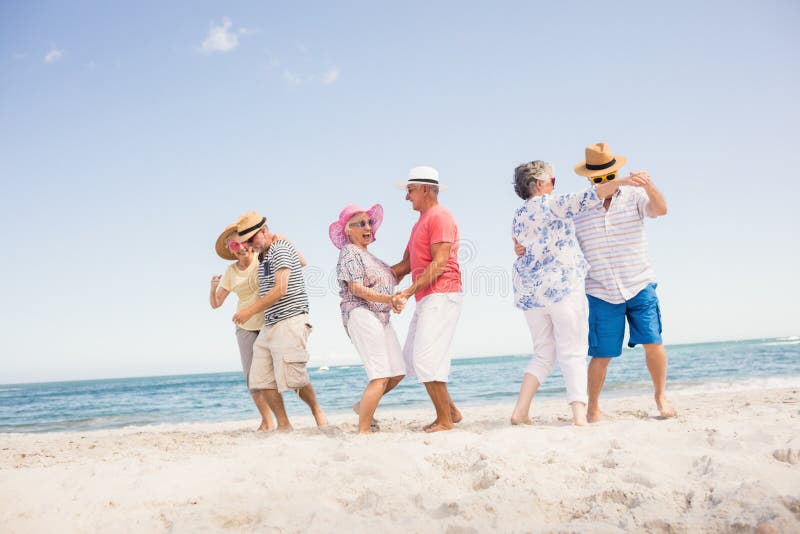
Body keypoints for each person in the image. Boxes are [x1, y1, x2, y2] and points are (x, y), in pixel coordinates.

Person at [509, 161, 637, 426]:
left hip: (531, 293)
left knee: (543, 353)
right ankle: (579, 416)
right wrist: (624, 181)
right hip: (562, 287)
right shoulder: (553, 203)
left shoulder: (518, 215)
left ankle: (520, 411)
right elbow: (594, 194)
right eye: (552, 181)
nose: (554, 186)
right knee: (573, 351)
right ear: (541, 185)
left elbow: (519, 247)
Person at [572, 142, 676, 422]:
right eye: (600, 178)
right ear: (590, 179)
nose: (607, 182)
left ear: (615, 171)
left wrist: (648, 187)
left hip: (639, 282)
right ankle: (593, 407)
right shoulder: (581, 206)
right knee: (601, 354)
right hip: (601, 290)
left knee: (653, 342)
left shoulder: (633, 196)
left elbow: (661, 209)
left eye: (610, 175)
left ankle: (660, 396)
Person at [231, 211, 327, 431]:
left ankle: (318, 413)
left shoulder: (279, 248)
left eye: (251, 240)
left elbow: (280, 289)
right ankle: (284, 424)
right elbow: (302, 261)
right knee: (261, 379)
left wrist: (248, 311)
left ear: (263, 231)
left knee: (294, 378)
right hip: (271, 323)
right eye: (245, 242)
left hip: (290, 318)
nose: (248, 246)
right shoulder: (264, 253)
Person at [392, 166, 463, 433]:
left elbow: (440, 263)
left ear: (424, 188)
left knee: (426, 358)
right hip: (426, 296)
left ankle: (444, 420)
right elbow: (405, 265)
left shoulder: (441, 216)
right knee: (412, 358)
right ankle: (451, 412)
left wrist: (407, 293)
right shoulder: (419, 223)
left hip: (443, 294)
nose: (407, 197)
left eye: (410, 190)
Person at [329, 203, 406, 434]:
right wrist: (389, 299)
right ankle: (363, 430)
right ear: (348, 231)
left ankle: (361, 407)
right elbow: (357, 288)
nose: (368, 227)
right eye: (360, 223)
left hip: (382, 316)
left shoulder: (374, 259)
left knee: (397, 372)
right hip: (361, 313)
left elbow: (398, 272)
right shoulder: (349, 252)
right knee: (380, 375)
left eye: (369, 222)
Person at [210, 225, 276, 430]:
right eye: (233, 244)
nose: (240, 247)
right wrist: (213, 288)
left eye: (242, 241)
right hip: (246, 327)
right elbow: (216, 303)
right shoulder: (231, 272)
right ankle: (267, 420)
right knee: (252, 378)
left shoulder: (262, 258)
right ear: (231, 250)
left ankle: (286, 416)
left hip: (268, 323)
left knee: (278, 373)